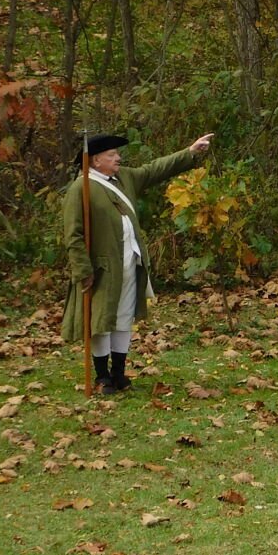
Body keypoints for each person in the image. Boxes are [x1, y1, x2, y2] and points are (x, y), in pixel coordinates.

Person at [61, 131, 215, 395]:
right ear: (96, 160)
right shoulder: (82, 187)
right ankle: (102, 377)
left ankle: (119, 374)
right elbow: (73, 235)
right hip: (101, 268)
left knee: (123, 317)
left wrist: (189, 152)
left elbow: (155, 169)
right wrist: (83, 270)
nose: (118, 158)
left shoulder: (124, 178)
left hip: (130, 263)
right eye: (112, 155)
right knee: (101, 321)